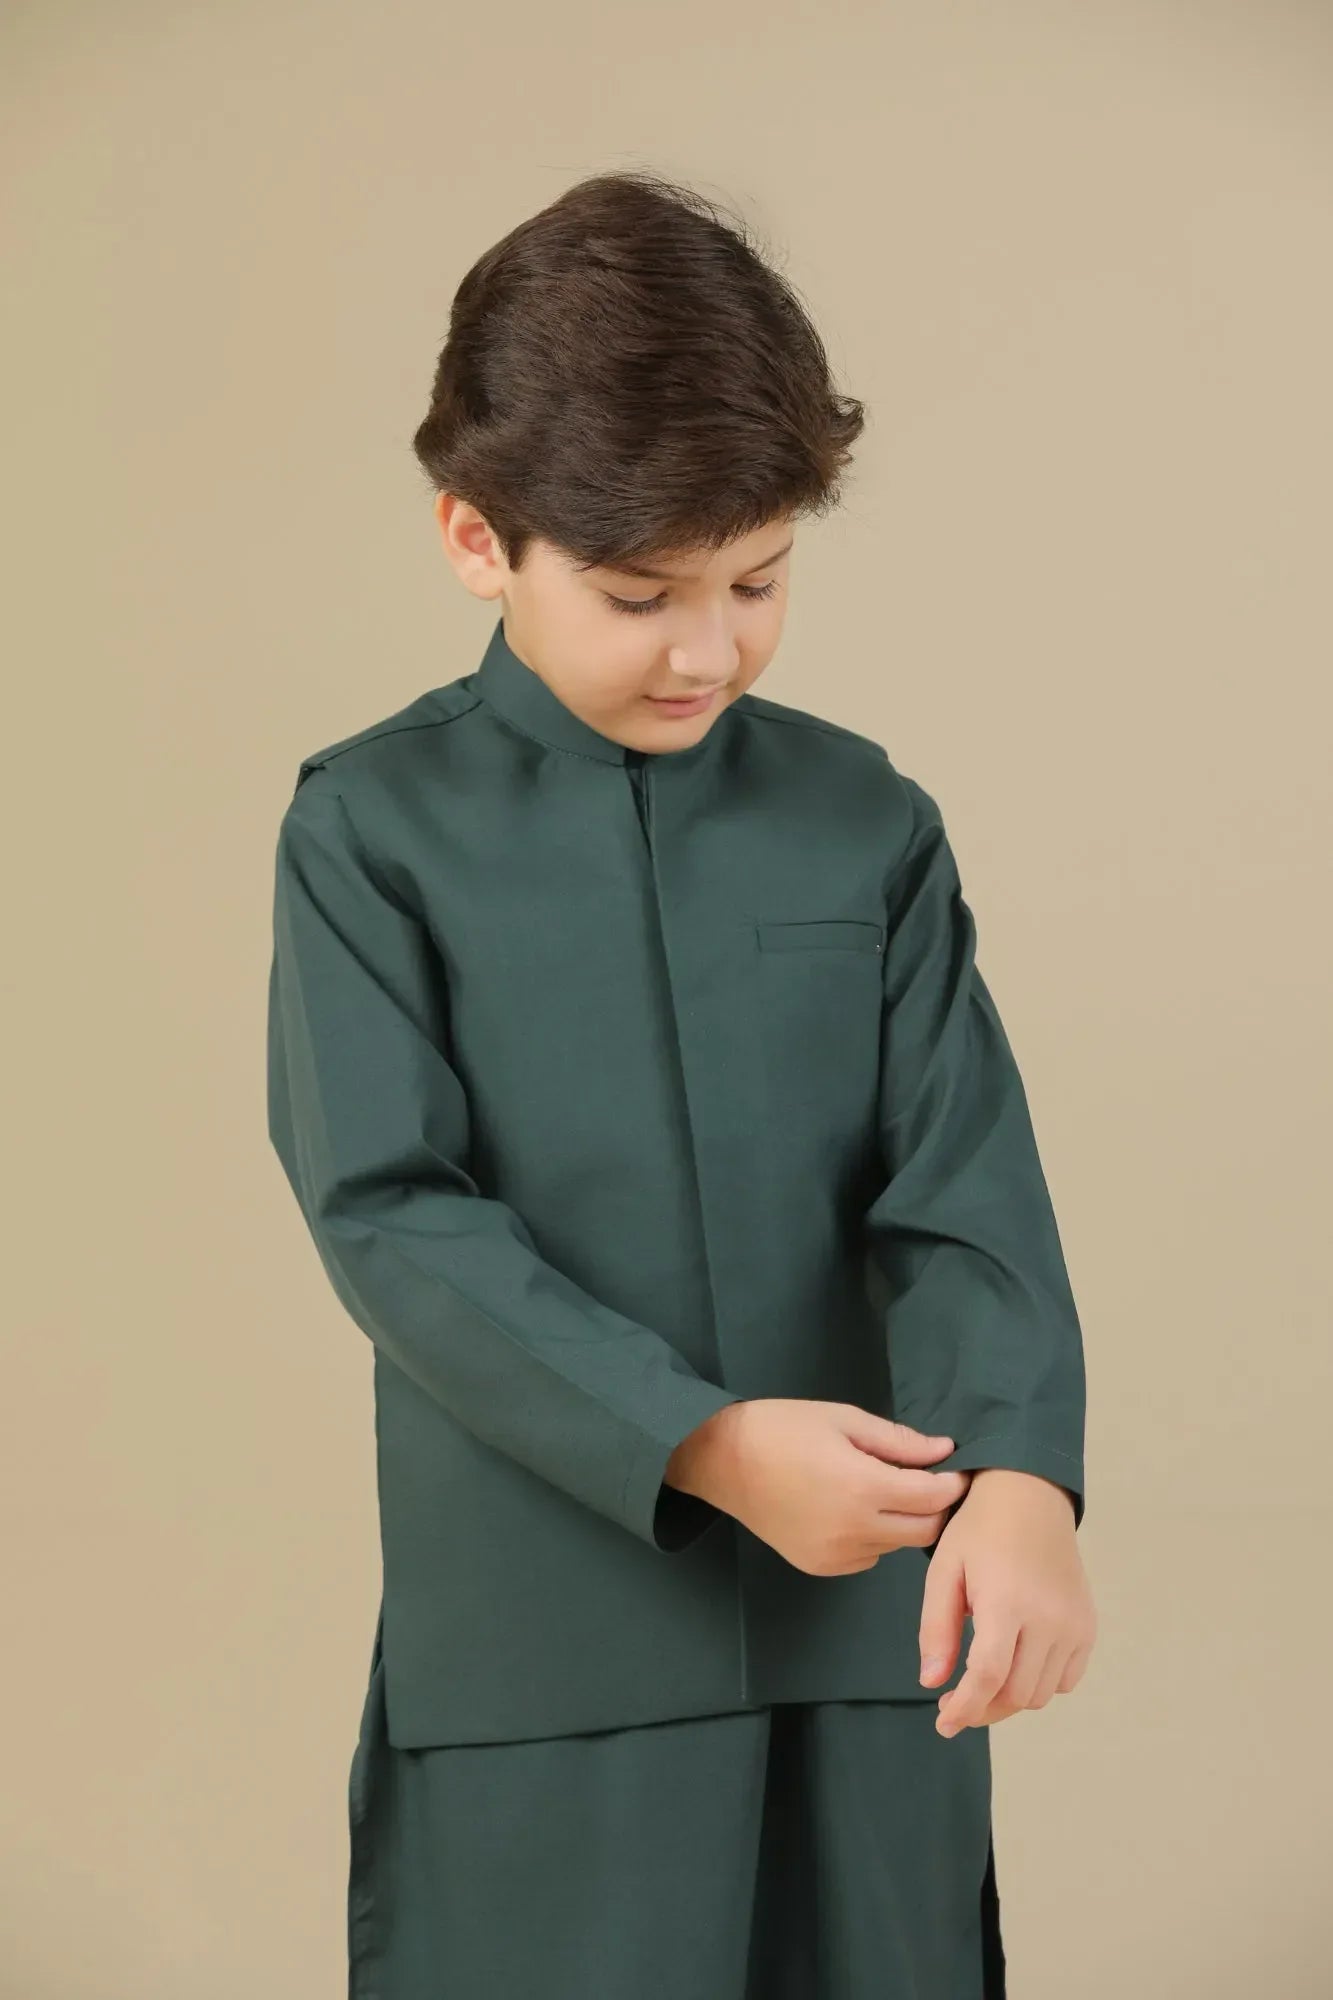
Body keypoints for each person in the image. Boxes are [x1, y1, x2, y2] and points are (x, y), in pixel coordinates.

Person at [266, 167, 1096, 1999]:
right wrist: (703, 1444)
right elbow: (391, 1219)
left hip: (872, 1626)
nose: (707, 648)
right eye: (639, 593)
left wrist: (1023, 1479)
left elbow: (960, 1178)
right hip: (549, 1647)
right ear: (477, 539)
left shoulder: (863, 819)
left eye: (758, 580)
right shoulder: (371, 831)